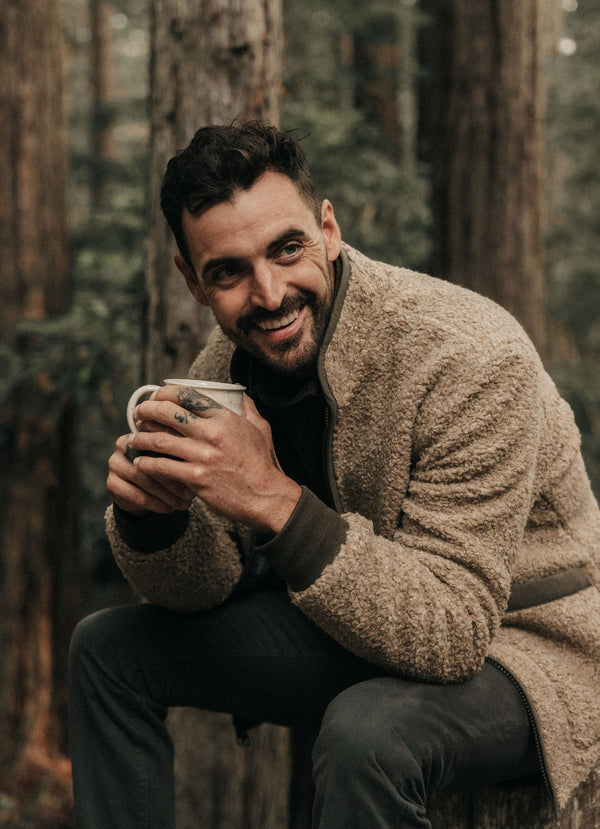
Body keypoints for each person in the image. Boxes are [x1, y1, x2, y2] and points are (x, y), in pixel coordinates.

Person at [69, 121, 600, 828]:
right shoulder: (223, 375)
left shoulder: (468, 354)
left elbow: (452, 631)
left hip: (535, 641)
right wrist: (155, 520)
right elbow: (202, 587)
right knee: (109, 652)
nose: (269, 293)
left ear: (328, 228)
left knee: (367, 733)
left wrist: (272, 499)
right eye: (228, 271)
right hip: (363, 626)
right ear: (192, 280)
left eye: (287, 249)